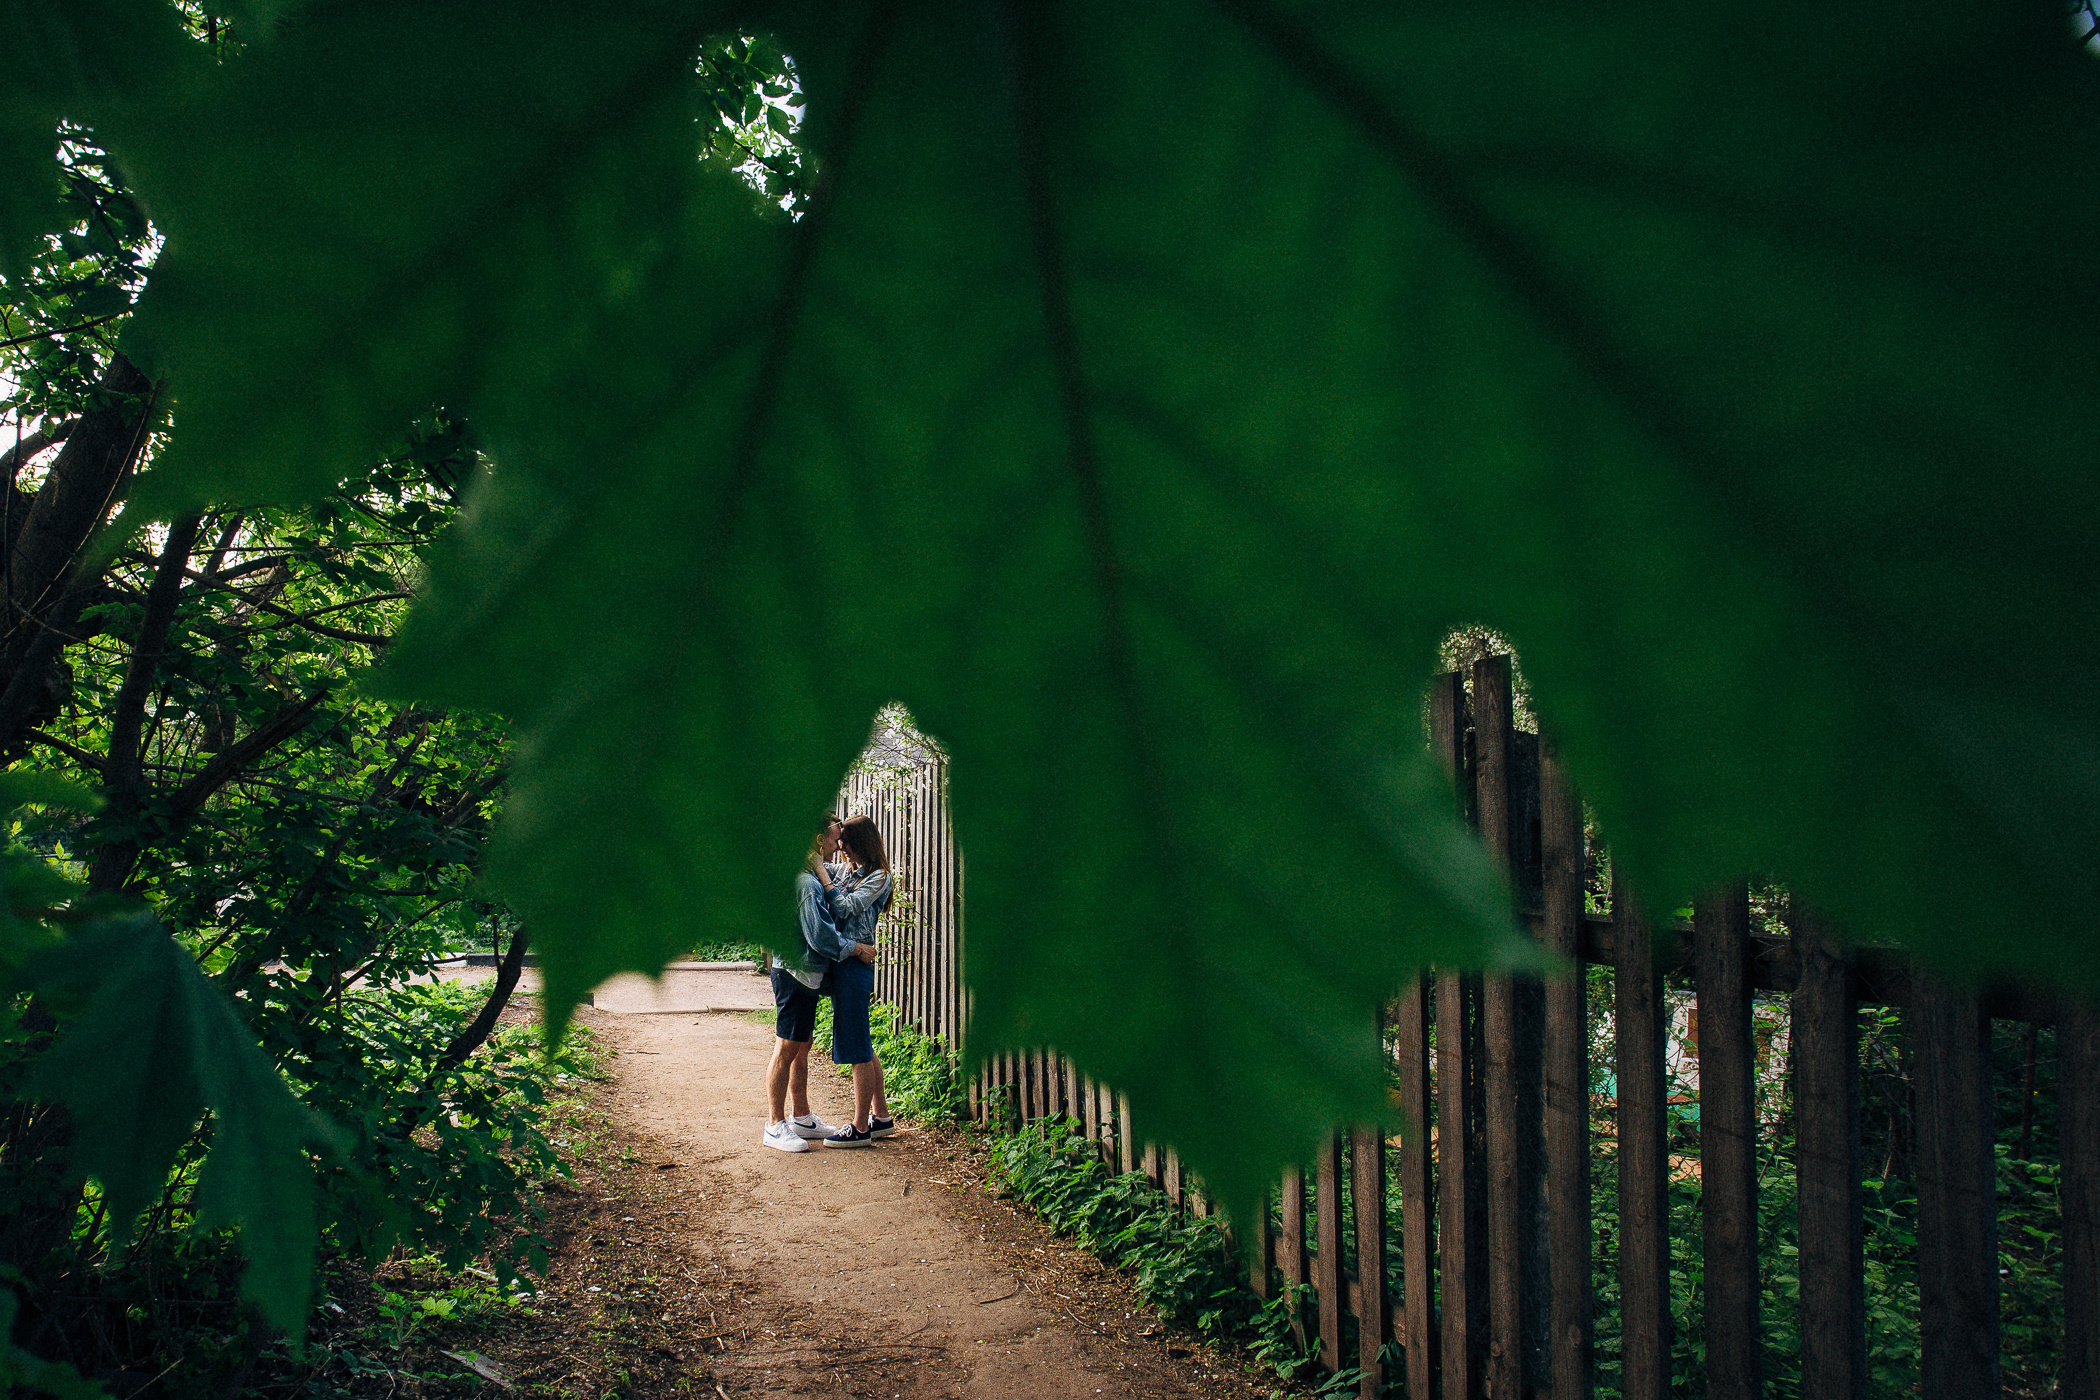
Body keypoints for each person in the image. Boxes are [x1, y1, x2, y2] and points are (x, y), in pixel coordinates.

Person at [762, 817, 869, 1153]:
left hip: (803, 972)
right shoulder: (806, 884)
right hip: (795, 972)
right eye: (835, 839)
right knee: (786, 1048)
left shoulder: (811, 875)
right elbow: (821, 936)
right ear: (820, 839)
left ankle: (801, 1116)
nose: (839, 845)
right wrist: (856, 948)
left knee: (801, 1045)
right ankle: (775, 1124)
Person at [811, 813, 894, 1147]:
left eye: (846, 842)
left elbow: (846, 908)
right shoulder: (846, 869)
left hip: (857, 966)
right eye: (839, 841)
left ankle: (860, 1128)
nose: (841, 848)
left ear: (862, 843)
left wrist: (823, 876)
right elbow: (817, 871)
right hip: (844, 960)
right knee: (862, 1039)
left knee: (857, 1045)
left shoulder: (879, 877)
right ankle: (882, 1118)